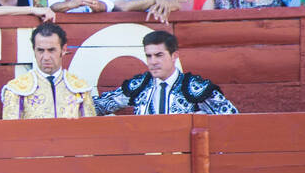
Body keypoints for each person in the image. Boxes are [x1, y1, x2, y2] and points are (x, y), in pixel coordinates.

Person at [96, 30, 239, 114]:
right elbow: (100, 106)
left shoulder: (195, 88)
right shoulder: (139, 86)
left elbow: (231, 118)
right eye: (149, 56)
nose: (153, 61)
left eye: (159, 55)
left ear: (174, 56)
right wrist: (75, 99)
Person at [0, 21, 96, 118]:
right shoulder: (16, 89)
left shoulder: (81, 89)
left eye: (51, 50)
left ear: (63, 50)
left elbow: (89, 130)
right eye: (40, 50)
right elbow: (11, 132)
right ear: (34, 50)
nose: (46, 57)